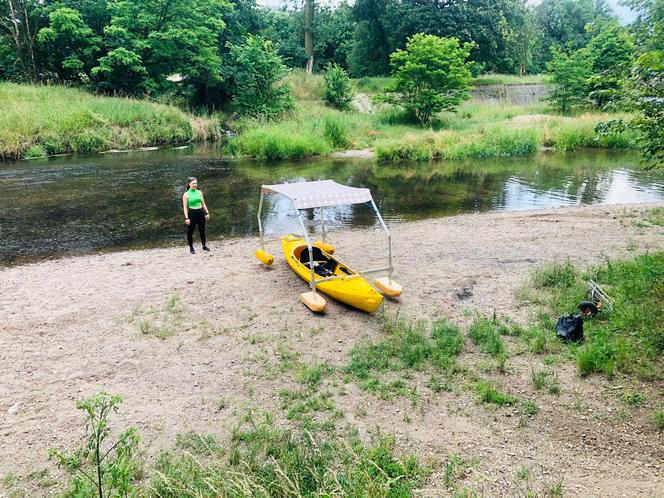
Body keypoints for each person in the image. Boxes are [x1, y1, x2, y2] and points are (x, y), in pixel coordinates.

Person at [182, 177, 210, 254]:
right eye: (193, 183)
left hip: (200, 212)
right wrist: (186, 218)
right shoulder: (186, 194)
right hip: (192, 213)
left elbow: (203, 203)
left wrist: (207, 213)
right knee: (190, 231)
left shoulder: (199, 192)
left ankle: (204, 245)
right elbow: (185, 207)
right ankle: (191, 247)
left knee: (202, 230)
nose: (195, 185)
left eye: (196, 183)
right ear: (189, 184)